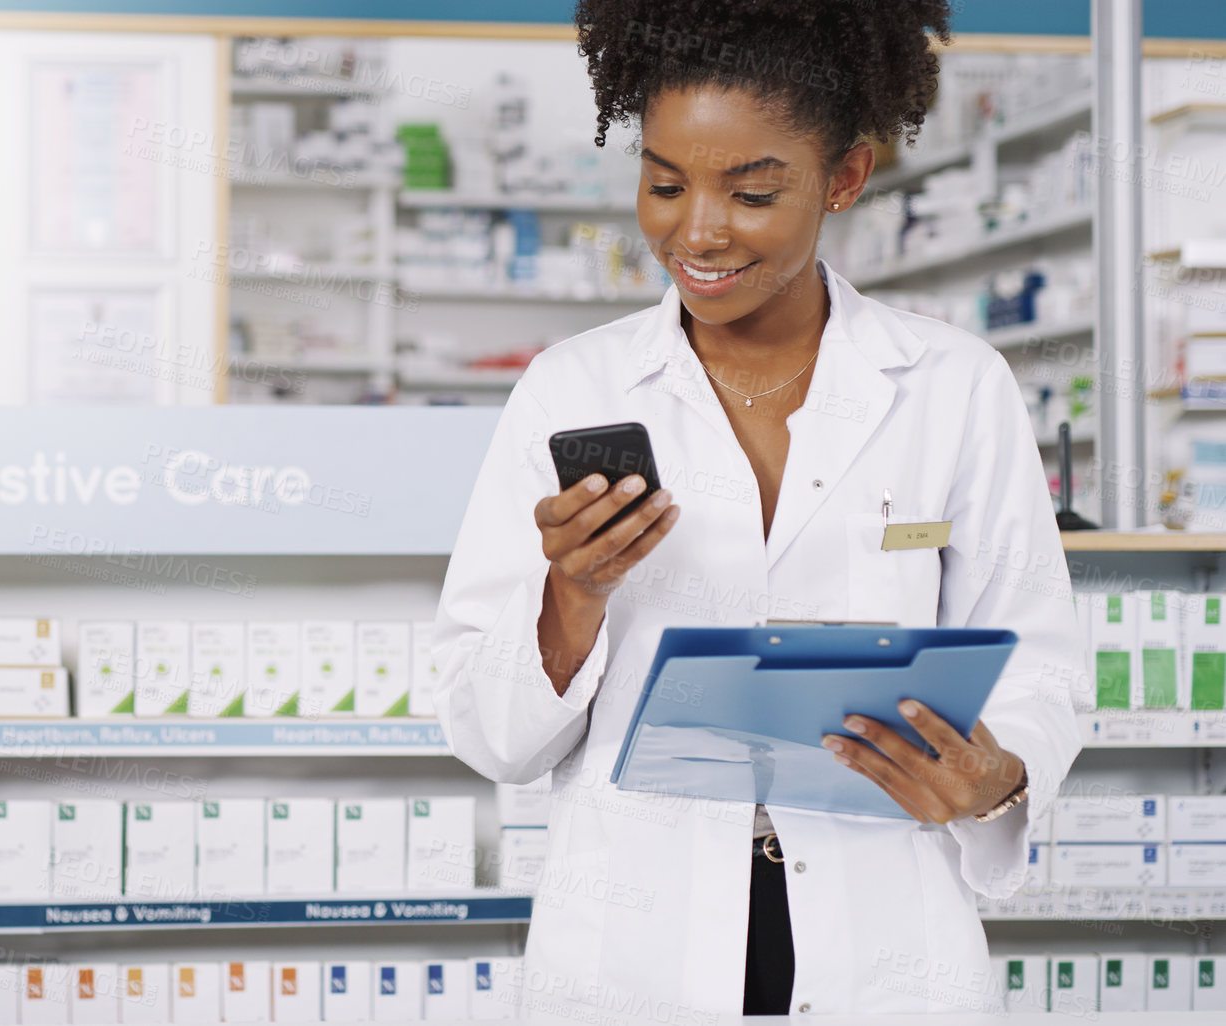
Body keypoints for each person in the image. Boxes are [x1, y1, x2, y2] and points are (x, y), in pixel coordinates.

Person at [433, 0, 1083, 1016]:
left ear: (846, 178)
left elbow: (1039, 653)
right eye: (663, 183)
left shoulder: (954, 385)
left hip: (885, 928)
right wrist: (574, 592)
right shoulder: (571, 388)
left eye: (752, 191)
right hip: (635, 940)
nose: (696, 230)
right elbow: (490, 734)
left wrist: (997, 778)